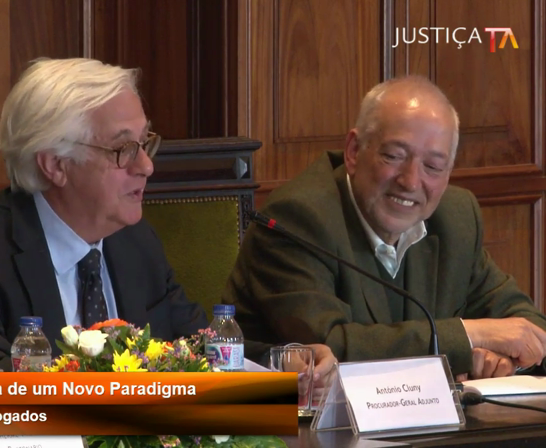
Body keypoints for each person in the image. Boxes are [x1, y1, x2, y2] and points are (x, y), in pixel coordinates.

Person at [0, 57, 337, 377]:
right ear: (55, 164)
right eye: (123, 149)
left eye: (144, 143)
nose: (146, 166)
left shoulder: (134, 242)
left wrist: (283, 364)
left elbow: (198, 352)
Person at [223, 75, 546, 382]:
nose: (411, 181)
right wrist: (469, 336)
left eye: (433, 166)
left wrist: (499, 357)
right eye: (394, 156)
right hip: (286, 415)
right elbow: (329, 349)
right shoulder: (298, 217)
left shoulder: (455, 217)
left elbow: (526, 326)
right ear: (354, 151)